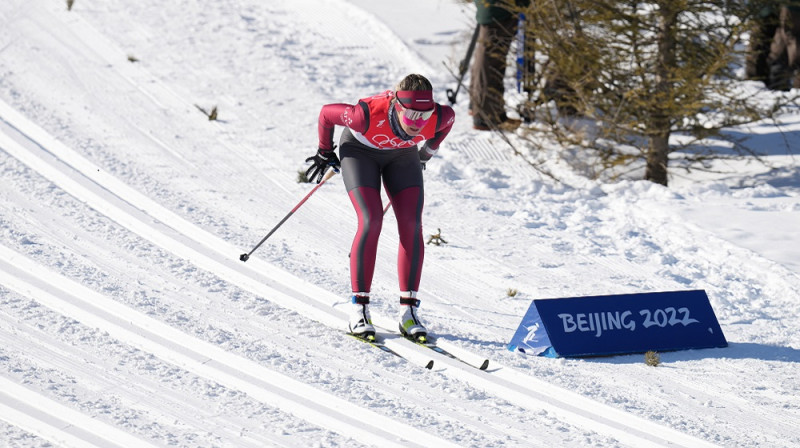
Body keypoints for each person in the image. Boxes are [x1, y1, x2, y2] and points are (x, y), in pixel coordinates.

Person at [305, 74, 456, 342]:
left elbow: (448, 122)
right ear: (397, 105)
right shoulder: (364, 115)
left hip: (402, 155)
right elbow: (327, 114)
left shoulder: (439, 116)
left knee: (411, 224)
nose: (417, 122)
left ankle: (408, 312)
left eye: (424, 114)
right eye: (410, 113)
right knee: (371, 219)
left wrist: (426, 153)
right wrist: (324, 151)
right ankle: (359, 309)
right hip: (360, 152)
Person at [470, 0, 530, 131]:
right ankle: (486, 115)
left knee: (486, 52)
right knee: (491, 59)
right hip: (499, 8)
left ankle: (478, 106)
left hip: (493, 7)